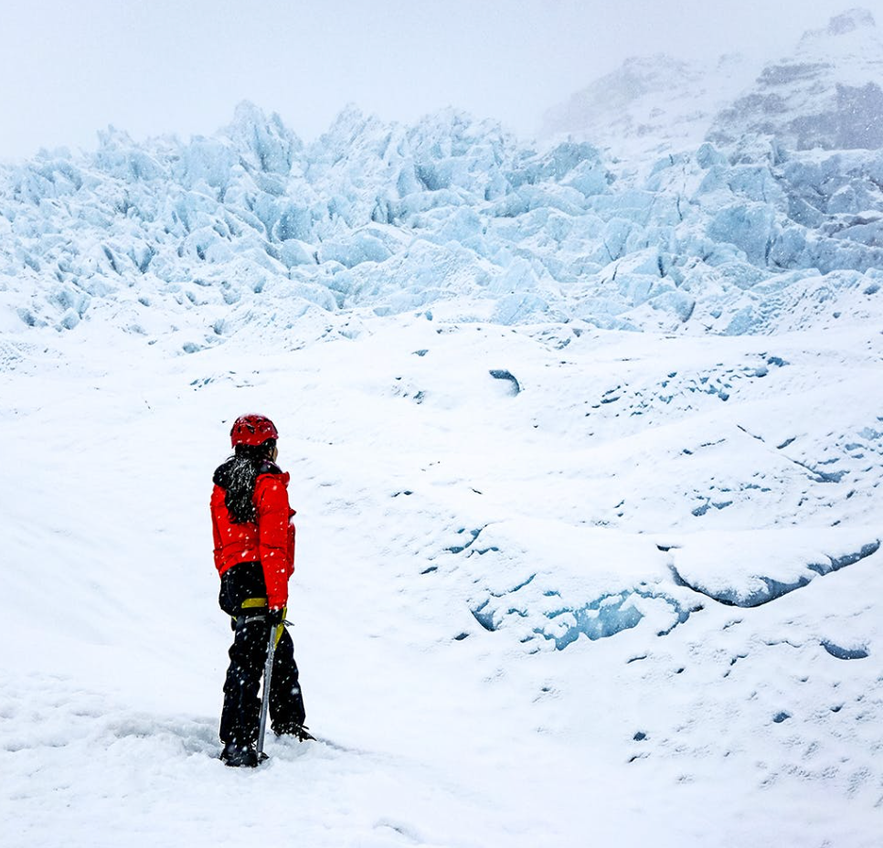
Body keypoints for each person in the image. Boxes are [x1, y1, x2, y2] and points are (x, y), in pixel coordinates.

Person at [210, 413, 312, 767]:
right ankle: (240, 740)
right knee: (254, 657)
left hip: (237, 580)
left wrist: (229, 579)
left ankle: (285, 723)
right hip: (263, 579)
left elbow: (220, 545)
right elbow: (273, 547)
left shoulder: (222, 486)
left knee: (274, 650)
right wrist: (277, 598)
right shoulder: (268, 483)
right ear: (268, 444)